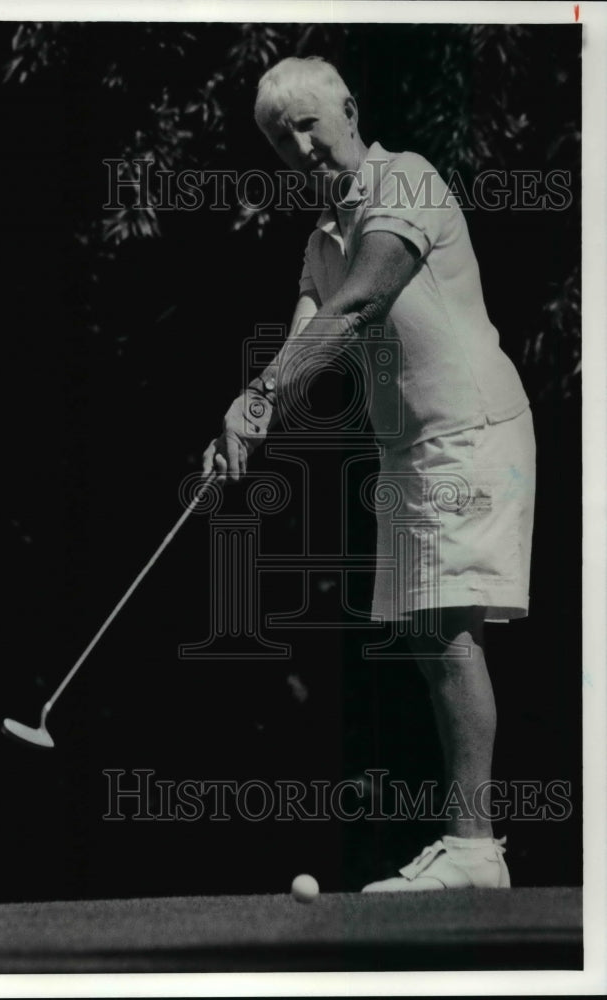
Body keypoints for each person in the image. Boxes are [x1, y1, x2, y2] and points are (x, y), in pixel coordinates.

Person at [202, 56, 536, 891]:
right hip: (410, 449)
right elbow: (306, 328)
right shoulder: (322, 235)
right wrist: (248, 417)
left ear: (349, 109)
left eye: (309, 122)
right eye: (282, 137)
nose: (299, 144)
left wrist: (263, 393)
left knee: (450, 629)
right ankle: (468, 843)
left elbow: (357, 307)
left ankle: (473, 850)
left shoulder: (409, 182)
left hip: (470, 430)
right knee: (428, 637)